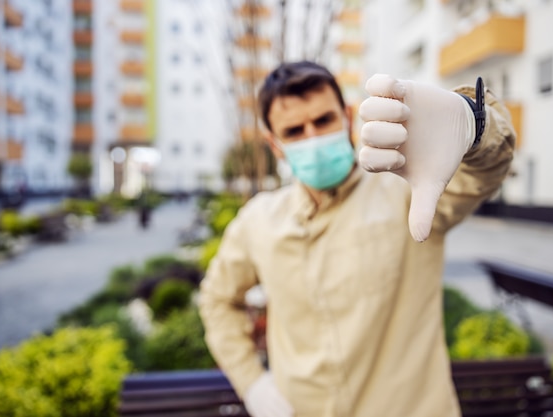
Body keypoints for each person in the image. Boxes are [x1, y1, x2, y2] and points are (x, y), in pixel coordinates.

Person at [198, 61, 515, 417]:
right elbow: (217, 300)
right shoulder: (257, 220)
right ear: (275, 145)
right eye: (294, 131)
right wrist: (252, 382)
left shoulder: (408, 190)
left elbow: (484, 175)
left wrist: (471, 125)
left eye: (323, 121)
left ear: (347, 117)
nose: (312, 138)